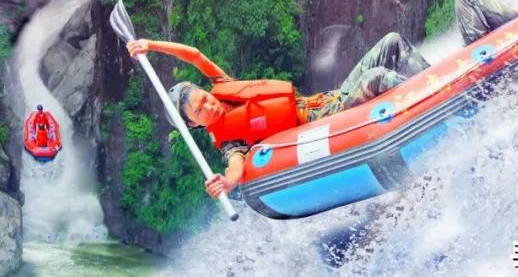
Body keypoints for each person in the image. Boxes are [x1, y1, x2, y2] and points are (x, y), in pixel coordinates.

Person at [125, 32, 429, 199]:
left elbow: (194, 55)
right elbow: (236, 167)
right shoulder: (231, 142)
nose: (209, 105)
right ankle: (429, 99)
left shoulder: (223, 87)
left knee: (391, 42)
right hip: (330, 120)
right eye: (199, 110)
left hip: (332, 98)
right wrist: (227, 183)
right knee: (376, 77)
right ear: (193, 124)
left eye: (204, 98)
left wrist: (150, 45)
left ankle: (437, 81)